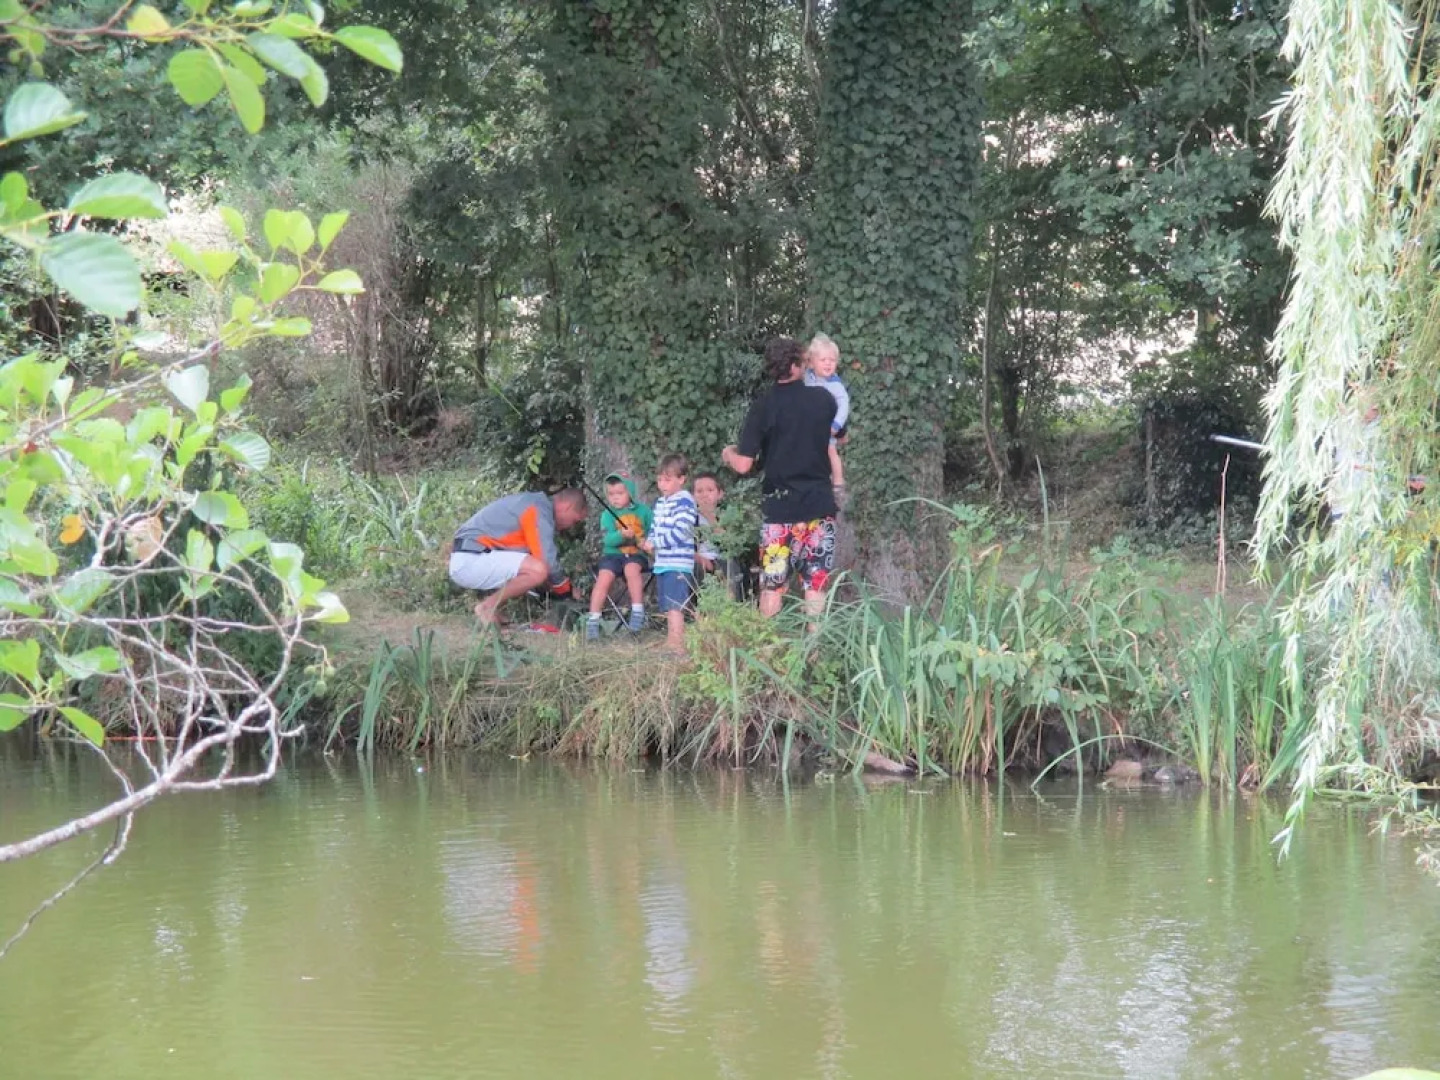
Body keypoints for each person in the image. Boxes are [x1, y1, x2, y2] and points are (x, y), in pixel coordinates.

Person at [721, 336, 838, 622]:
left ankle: (767, 652)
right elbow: (839, 436)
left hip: (778, 511)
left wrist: (727, 453)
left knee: (772, 585)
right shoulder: (823, 399)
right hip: (819, 506)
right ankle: (814, 654)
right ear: (799, 364)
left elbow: (744, 464)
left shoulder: (763, 406)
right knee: (816, 584)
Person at [450, 489, 587, 626]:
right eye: (575, 520)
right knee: (538, 571)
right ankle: (487, 607)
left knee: (535, 571)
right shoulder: (538, 508)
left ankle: (493, 610)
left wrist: (554, 585)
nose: (571, 526)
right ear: (567, 506)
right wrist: (566, 590)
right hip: (471, 559)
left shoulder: (533, 504)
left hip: (472, 557)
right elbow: (546, 560)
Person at [640, 454, 700, 653]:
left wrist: (656, 543)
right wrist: (649, 541)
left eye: (667, 479)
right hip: (663, 562)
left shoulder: (685, 502)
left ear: (681, 479)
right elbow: (655, 528)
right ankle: (671, 641)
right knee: (667, 604)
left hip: (678, 563)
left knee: (675, 605)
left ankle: (677, 644)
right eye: (659, 479)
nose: (662, 484)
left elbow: (682, 531)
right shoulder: (659, 503)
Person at [586, 473, 653, 639]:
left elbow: (653, 532)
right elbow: (607, 540)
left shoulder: (644, 511)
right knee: (604, 578)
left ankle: (637, 612)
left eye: (620, 493)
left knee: (631, 569)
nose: (615, 498)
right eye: (611, 494)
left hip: (635, 555)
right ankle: (593, 620)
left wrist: (646, 542)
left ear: (630, 492)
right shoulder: (607, 515)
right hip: (612, 555)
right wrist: (621, 535)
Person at [803, 333, 850, 501]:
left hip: (827, 428)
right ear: (812, 362)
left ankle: (838, 484)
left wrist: (836, 426)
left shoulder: (834, 384)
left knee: (831, 451)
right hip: (809, 428)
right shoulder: (808, 376)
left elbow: (844, 405)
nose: (828, 363)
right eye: (823, 360)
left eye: (832, 360)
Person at [693, 470, 749, 601]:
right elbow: (685, 547)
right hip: (699, 560)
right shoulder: (689, 517)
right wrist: (702, 560)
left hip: (722, 559)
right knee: (694, 569)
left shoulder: (727, 514)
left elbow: (730, 545)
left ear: (720, 494)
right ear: (693, 496)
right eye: (699, 491)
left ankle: (733, 606)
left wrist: (710, 516)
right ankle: (700, 613)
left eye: (710, 490)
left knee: (730, 565)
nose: (704, 495)